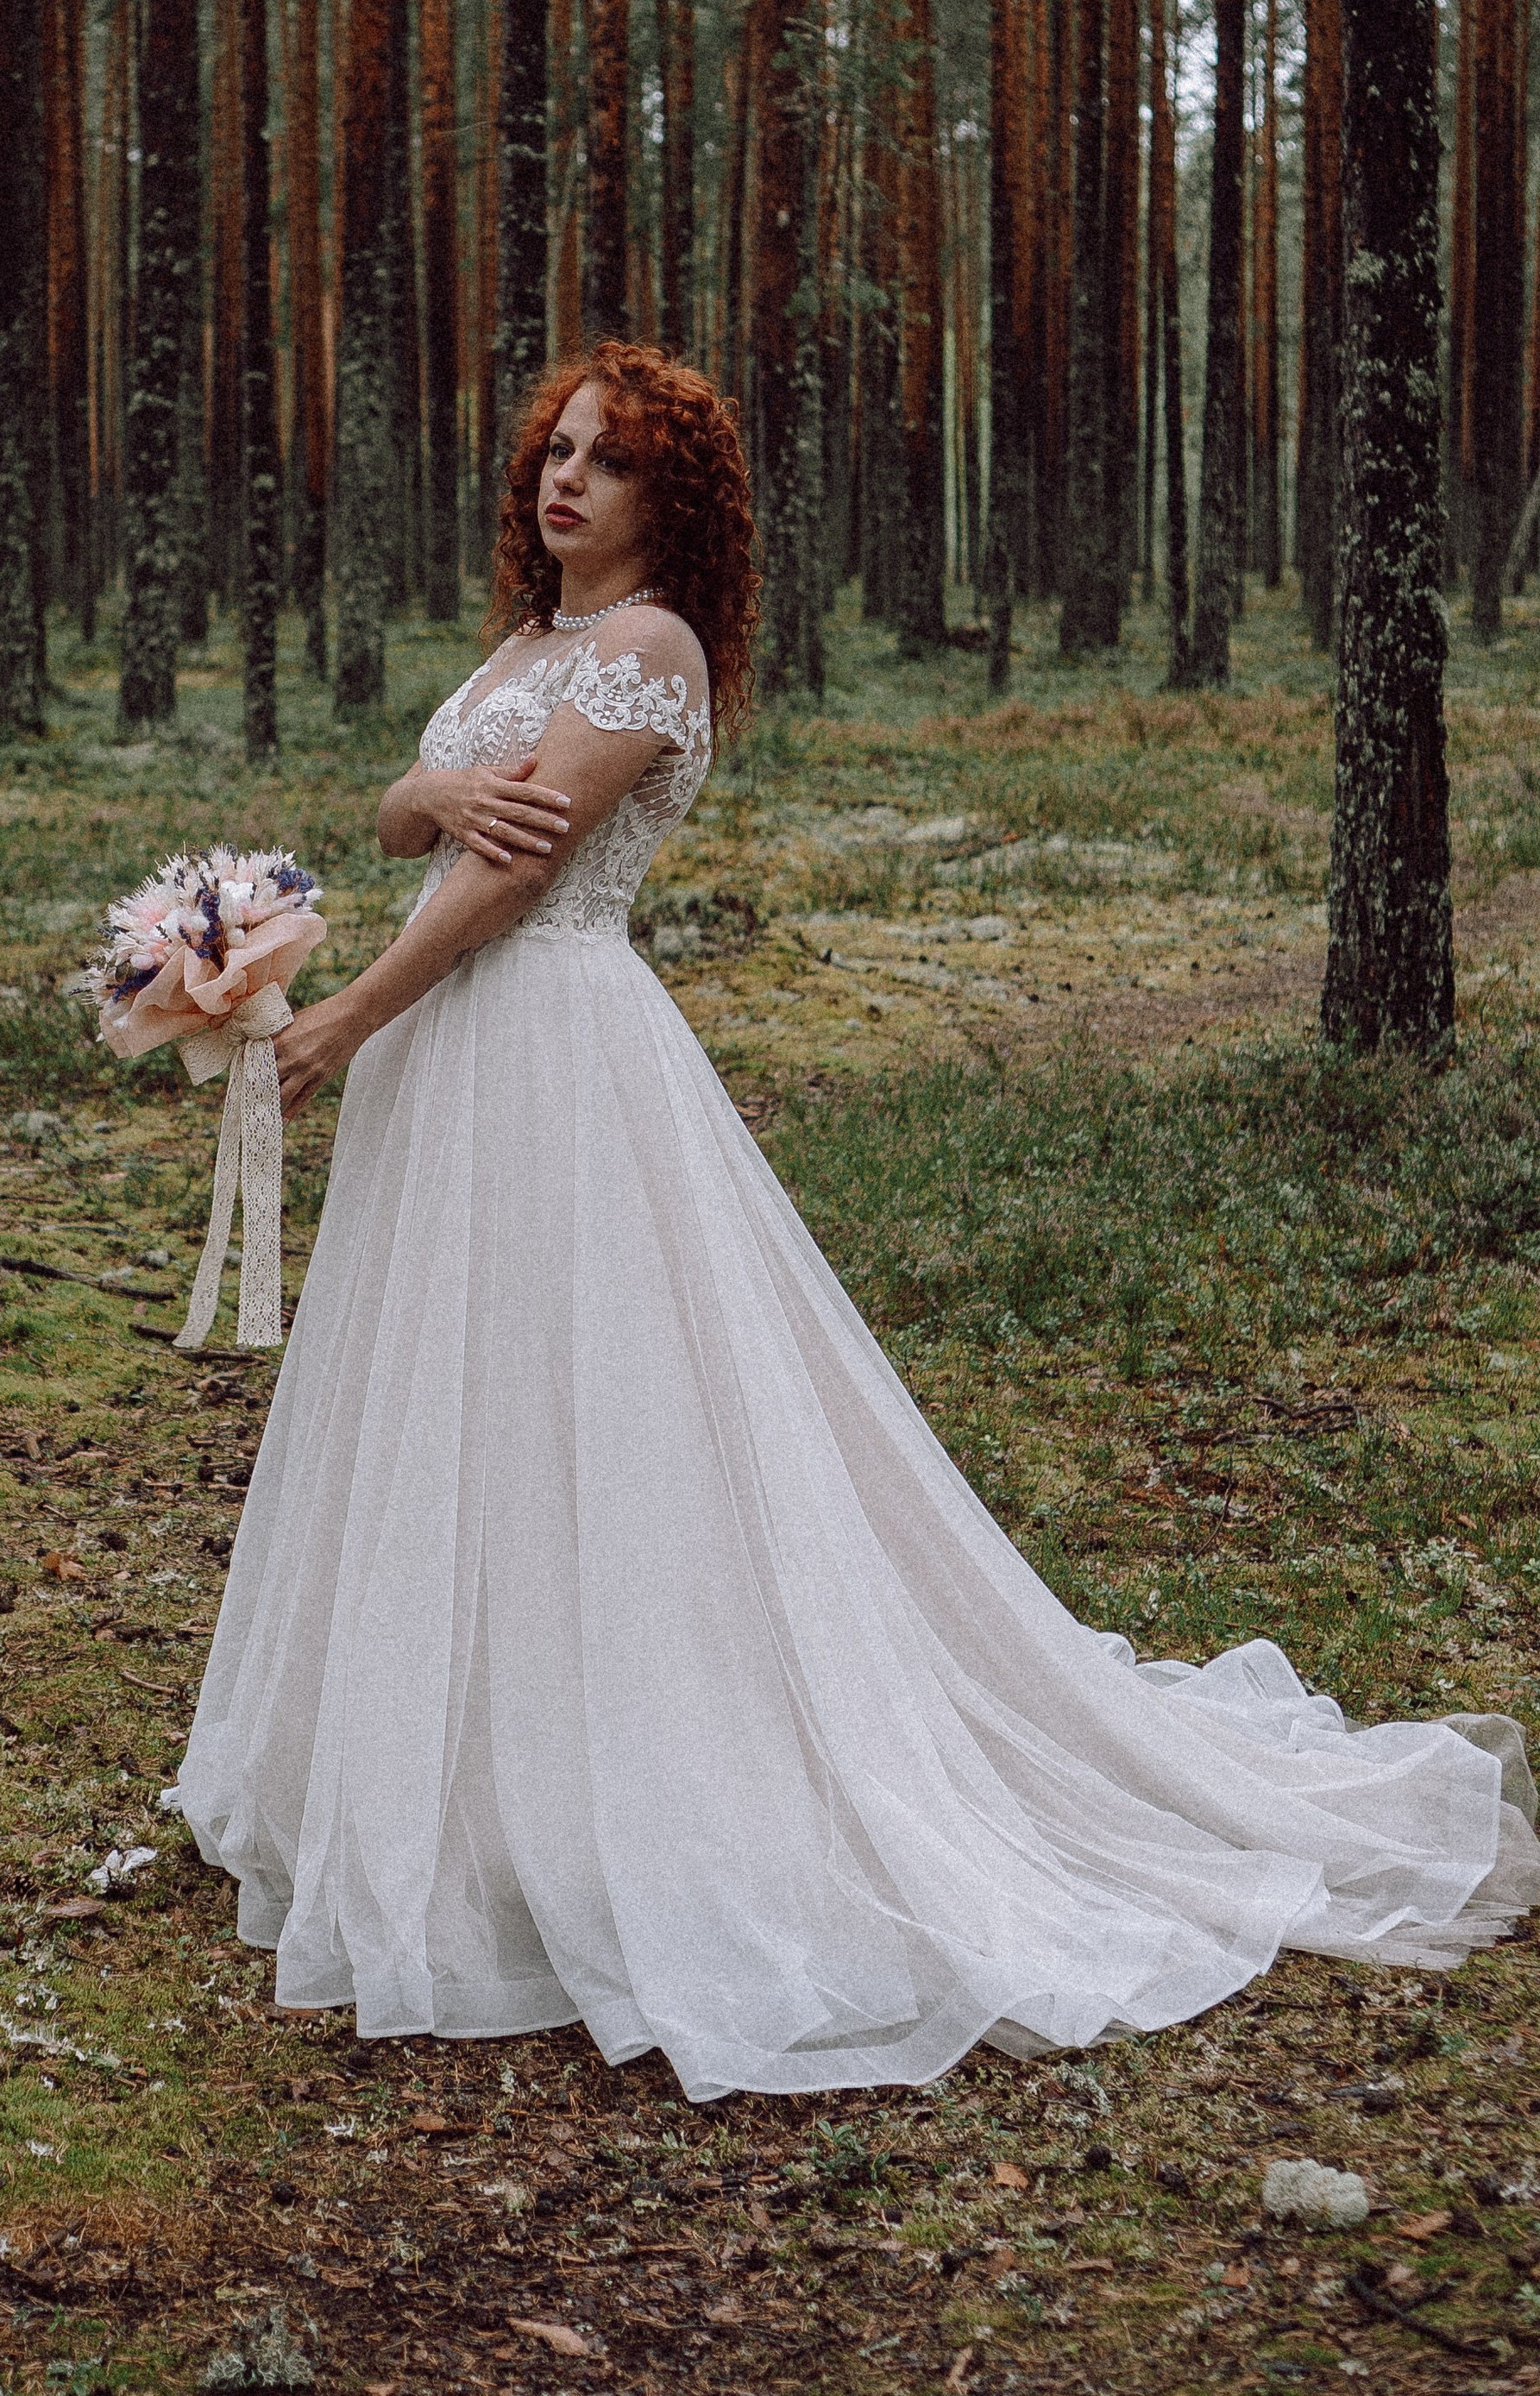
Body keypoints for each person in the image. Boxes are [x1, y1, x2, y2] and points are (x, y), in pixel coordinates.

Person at [169, 338, 1540, 2103]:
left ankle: (623, 1790)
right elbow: (414, 815)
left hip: (549, 1048)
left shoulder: (648, 649)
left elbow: (515, 882)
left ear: (670, 506)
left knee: (600, 1411)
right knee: (457, 1404)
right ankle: (463, 1776)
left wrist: (349, 1011)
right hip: (448, 1073)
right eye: (556, 452)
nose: (563, 482)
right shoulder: (523, 649)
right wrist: (426, 794)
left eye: (607, 465)